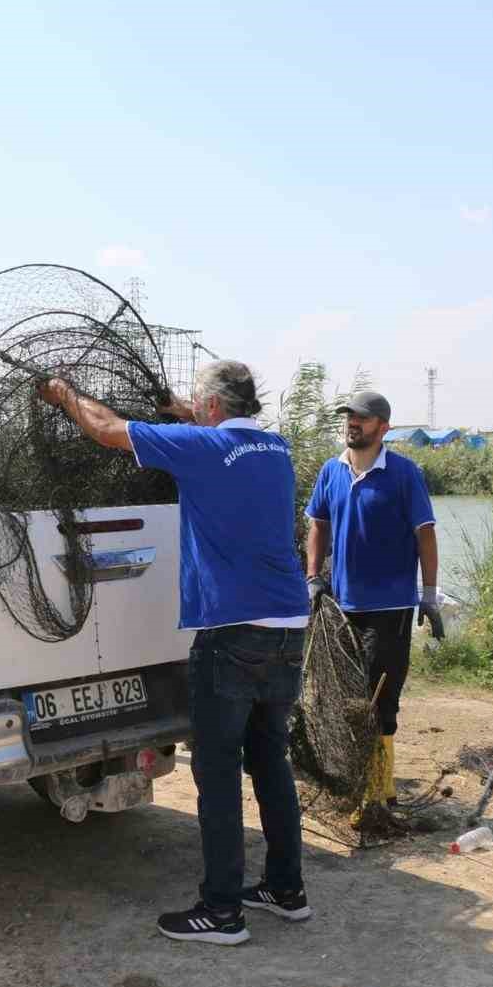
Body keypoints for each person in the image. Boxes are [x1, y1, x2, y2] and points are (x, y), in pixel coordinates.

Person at [37, 359, 310, 946]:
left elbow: (107, 429)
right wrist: (187, 413)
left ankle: (222, 911)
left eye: (196, 403)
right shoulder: (275, 447)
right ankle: (287, 890)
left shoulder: (200, 449)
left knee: (216, 773)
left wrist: (65, 397)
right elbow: (218, 431)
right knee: (270, 761)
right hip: (289, 624)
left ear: (211, 409)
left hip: (232, 632)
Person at [304, 390, 441, 813]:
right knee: (345, 699)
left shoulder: (403, 473)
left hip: (390, 609)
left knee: (382, 701)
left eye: (361, 418)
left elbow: (426, 534)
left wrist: (430, 594)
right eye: (349, 417)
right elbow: (318, 524)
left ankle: (380, 792)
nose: (352, 424)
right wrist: (313, 577)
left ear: (383, 426)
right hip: (341, 609)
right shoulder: (332, 470)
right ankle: (354, 782)